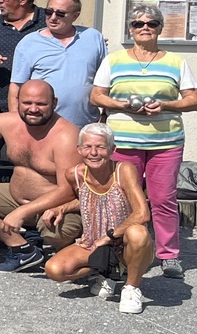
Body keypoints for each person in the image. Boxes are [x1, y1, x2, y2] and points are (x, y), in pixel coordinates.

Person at [89, 7, 197, 279]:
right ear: (130, 29)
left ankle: (168, 255)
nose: (145, 27)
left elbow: (194, 101)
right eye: (138, 23)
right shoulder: (114, 60)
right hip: (124, 143)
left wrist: (165, 105)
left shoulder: (176, 62)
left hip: (165, 142)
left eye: (152, 23)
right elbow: (96, 96)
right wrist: (122, 105)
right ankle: (120, 249)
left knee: (163, 199)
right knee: (123, 199)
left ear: (160, 28)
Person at [0, 80, 84, 271]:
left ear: (54, 103)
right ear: (18, 101)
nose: (33, 109)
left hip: (53, 206)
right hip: (14, 197)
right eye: (27, 103)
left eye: (41, 104)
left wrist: (21, 212)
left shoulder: (66, 135)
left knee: (56, 233)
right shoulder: (8, 122)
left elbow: (68, 191)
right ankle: (23, 249)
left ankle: (71, 250)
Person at [37, 123, 157, 314]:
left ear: (112, 149)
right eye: (87, 147)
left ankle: (131, 287)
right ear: (79, 149)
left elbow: (142, 213)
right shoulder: (74, 174)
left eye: (101, 147)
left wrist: (111, 236)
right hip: (92, 242)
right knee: (54, 269)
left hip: (123, 243)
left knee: (138, 232)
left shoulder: (123, 170)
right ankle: (107, 271)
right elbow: (89, 201)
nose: (94, 152)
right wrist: (62, 208)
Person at [9, 0, 107, 128]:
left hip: (86, 126)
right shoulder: (29, 43)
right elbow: (16, 87)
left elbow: (105, 81)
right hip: (42, 126)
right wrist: (17, 123)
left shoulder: (93, 37)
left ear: (75, 16)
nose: (53, 17)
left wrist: (105, 116)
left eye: (60, 14)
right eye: (49, 12)